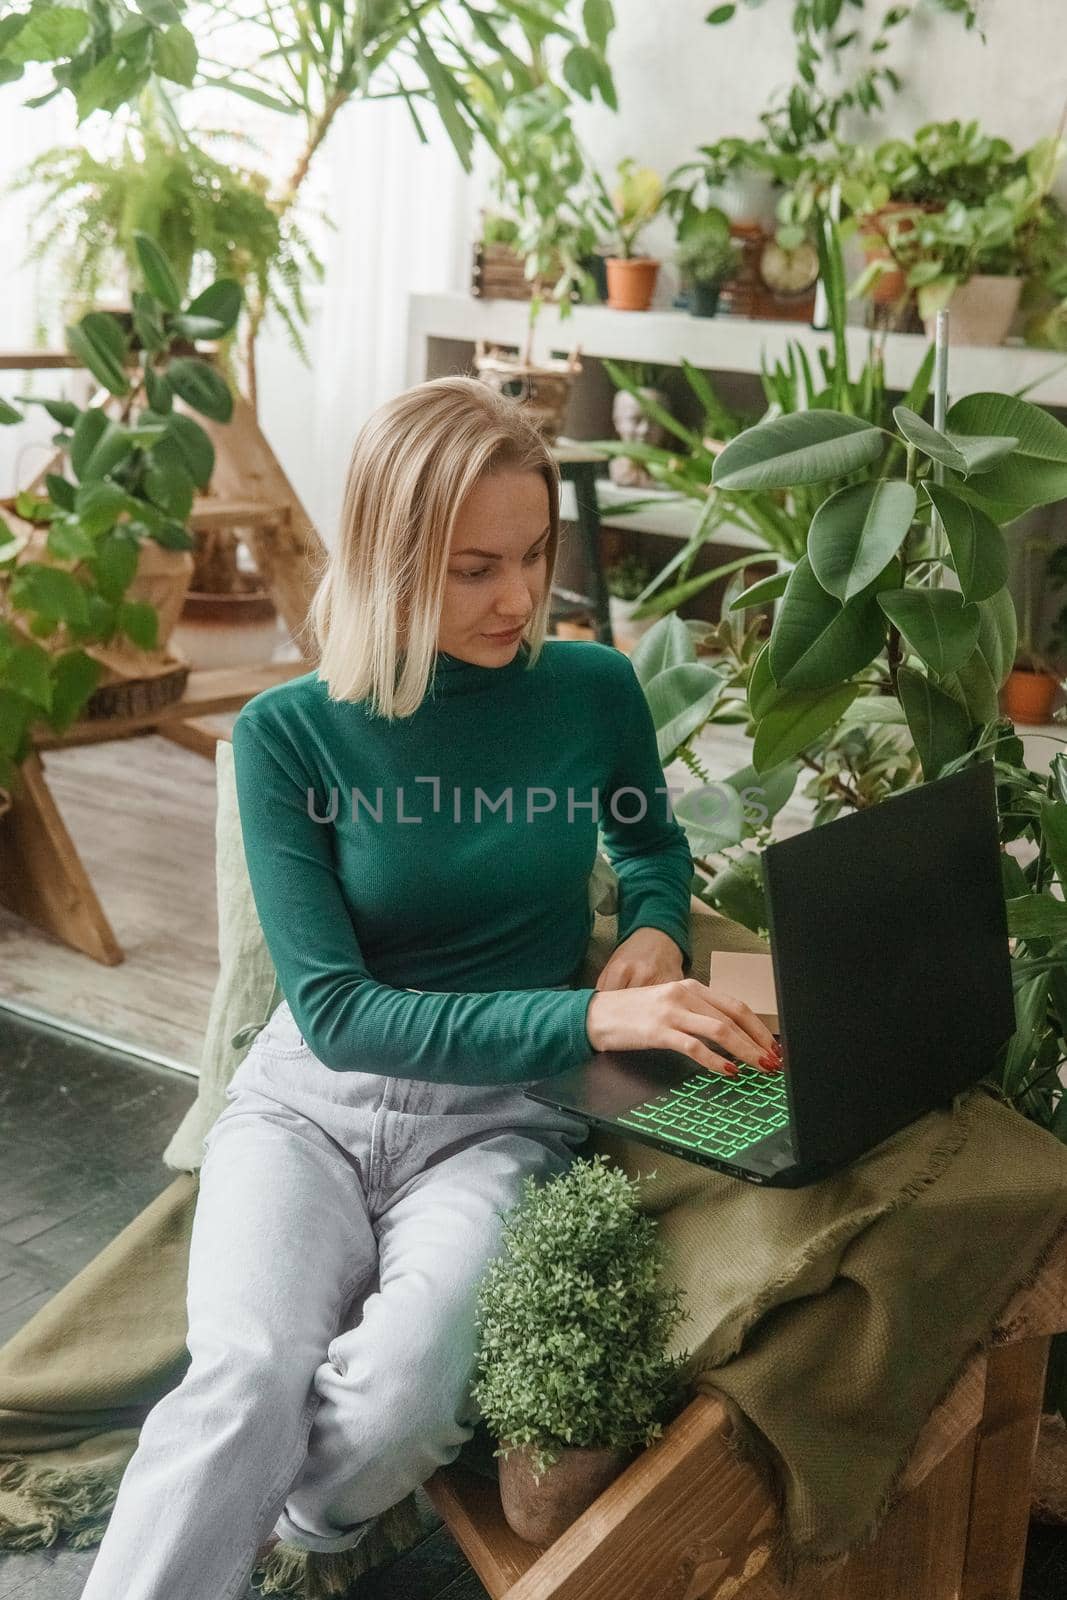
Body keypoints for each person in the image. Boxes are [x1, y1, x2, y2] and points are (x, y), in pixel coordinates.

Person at [79, 375, 779, 1600]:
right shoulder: (288, 736)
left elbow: (651, 845)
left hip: (501, 1118)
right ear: (391, 558)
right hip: (310, 1104)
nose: (520, 598)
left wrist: (657, 930)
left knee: (404, 1397)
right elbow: (338, 1013)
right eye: (472, 569)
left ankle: (298, 1518)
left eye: (535, 554)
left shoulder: (591, 692)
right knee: (243, 1372)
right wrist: (594, 1014)